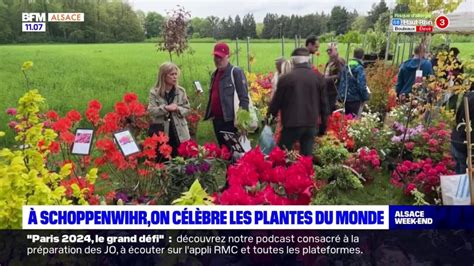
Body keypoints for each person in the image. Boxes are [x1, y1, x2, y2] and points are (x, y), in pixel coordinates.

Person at [268, 47, 329, 156]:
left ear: (293, 61)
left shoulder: (286, 79)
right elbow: (324, 104)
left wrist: (268, 120)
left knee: (281, 156)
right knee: (306, 158)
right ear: (308, 59)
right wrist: (323, 127)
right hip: (311, 124)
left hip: (292, 124)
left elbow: (276, 103)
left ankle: (283, 172)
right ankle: (305, 173)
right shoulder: (318, 78)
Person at [204, 42, 250, 148]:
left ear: (228, 57)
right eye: (216, 57)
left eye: (220, 57)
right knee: (224, 151)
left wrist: (242, 123)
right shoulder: (214, 74)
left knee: (235, 151)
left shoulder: (235, 72)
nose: (217, 60)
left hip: (230, 121)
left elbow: (244, 97)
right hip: (217, 120)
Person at [147, 62, 190, 157]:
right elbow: (151, 111)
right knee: (164, 160)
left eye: (176, 74)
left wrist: (177, 108)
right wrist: (165, 108)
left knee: (181, 159)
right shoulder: (154, 93)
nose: (175, 77)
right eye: (171, 74)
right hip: (162, 132)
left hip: (179, 132)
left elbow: (187, 109)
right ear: (163, 76)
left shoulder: (181, 91)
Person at [337, 48, 369, 117]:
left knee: (346, 118)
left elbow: (342, 81)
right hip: (355, 99)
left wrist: (340, 96)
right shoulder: (359, 68)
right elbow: (361, 85)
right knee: (353, 120)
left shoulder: (346, 66)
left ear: (353, 55)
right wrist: (366, 97)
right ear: (363, 56)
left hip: (345, 98)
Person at [451, 90, 474, 174]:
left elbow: (458, 118)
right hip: (465, 145)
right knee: (465, 180)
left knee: (459, 177)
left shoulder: (468, 95)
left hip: (457, 140)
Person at [324, 43, 345, 113]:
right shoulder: (329, 62)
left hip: (334, 92)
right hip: (328, 91)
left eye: (330, 50)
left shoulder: (339, 61)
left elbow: (340, 76)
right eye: (327, 50)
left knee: (332, 112)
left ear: (336, 50)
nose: (328, 52)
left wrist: (327, 79)